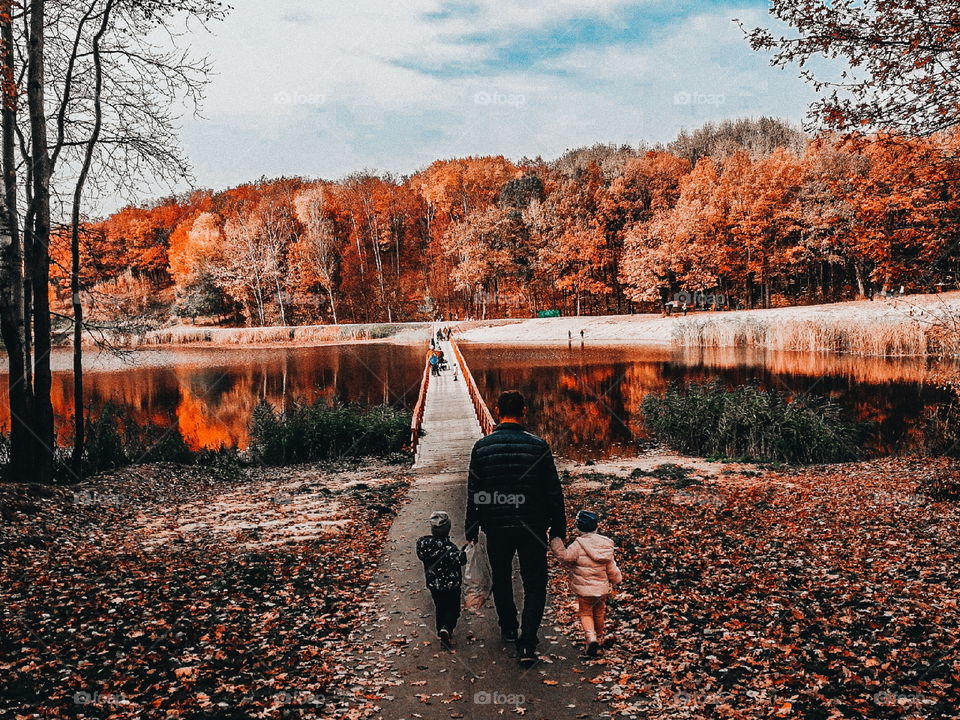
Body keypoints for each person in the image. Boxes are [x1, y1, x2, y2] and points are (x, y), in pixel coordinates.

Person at [465, 390, 566, 666]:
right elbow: (553, 491)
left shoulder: (482, 448)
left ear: (498, 412)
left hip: (496, 525)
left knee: (501, 576)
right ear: (524, 412)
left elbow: (475, 490)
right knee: (535, 582)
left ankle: (508, 626)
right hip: (533, 525)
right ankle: (527, 643)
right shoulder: (538, 446)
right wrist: (559, 528)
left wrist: (471, 527)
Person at [550, 510, 622, 657]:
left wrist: (555, 541)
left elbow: (566, 557)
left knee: (586, 613)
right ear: (597, 526)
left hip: (584, 591)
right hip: (601, 590)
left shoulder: (578, 545)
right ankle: (600, 638)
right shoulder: (605, 545)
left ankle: (591, 638)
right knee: (599, 613)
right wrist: (616, 580)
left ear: (578, 528)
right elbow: (611, 567)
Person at [416, 511, 466, 647]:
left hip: (434, 585)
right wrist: (465, 551)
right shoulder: (451, 549)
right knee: (453, 609)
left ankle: (441, 630)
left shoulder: (424, 545)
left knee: (440, 607)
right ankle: (447, 628)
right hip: (452, 586)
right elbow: (461, 560)